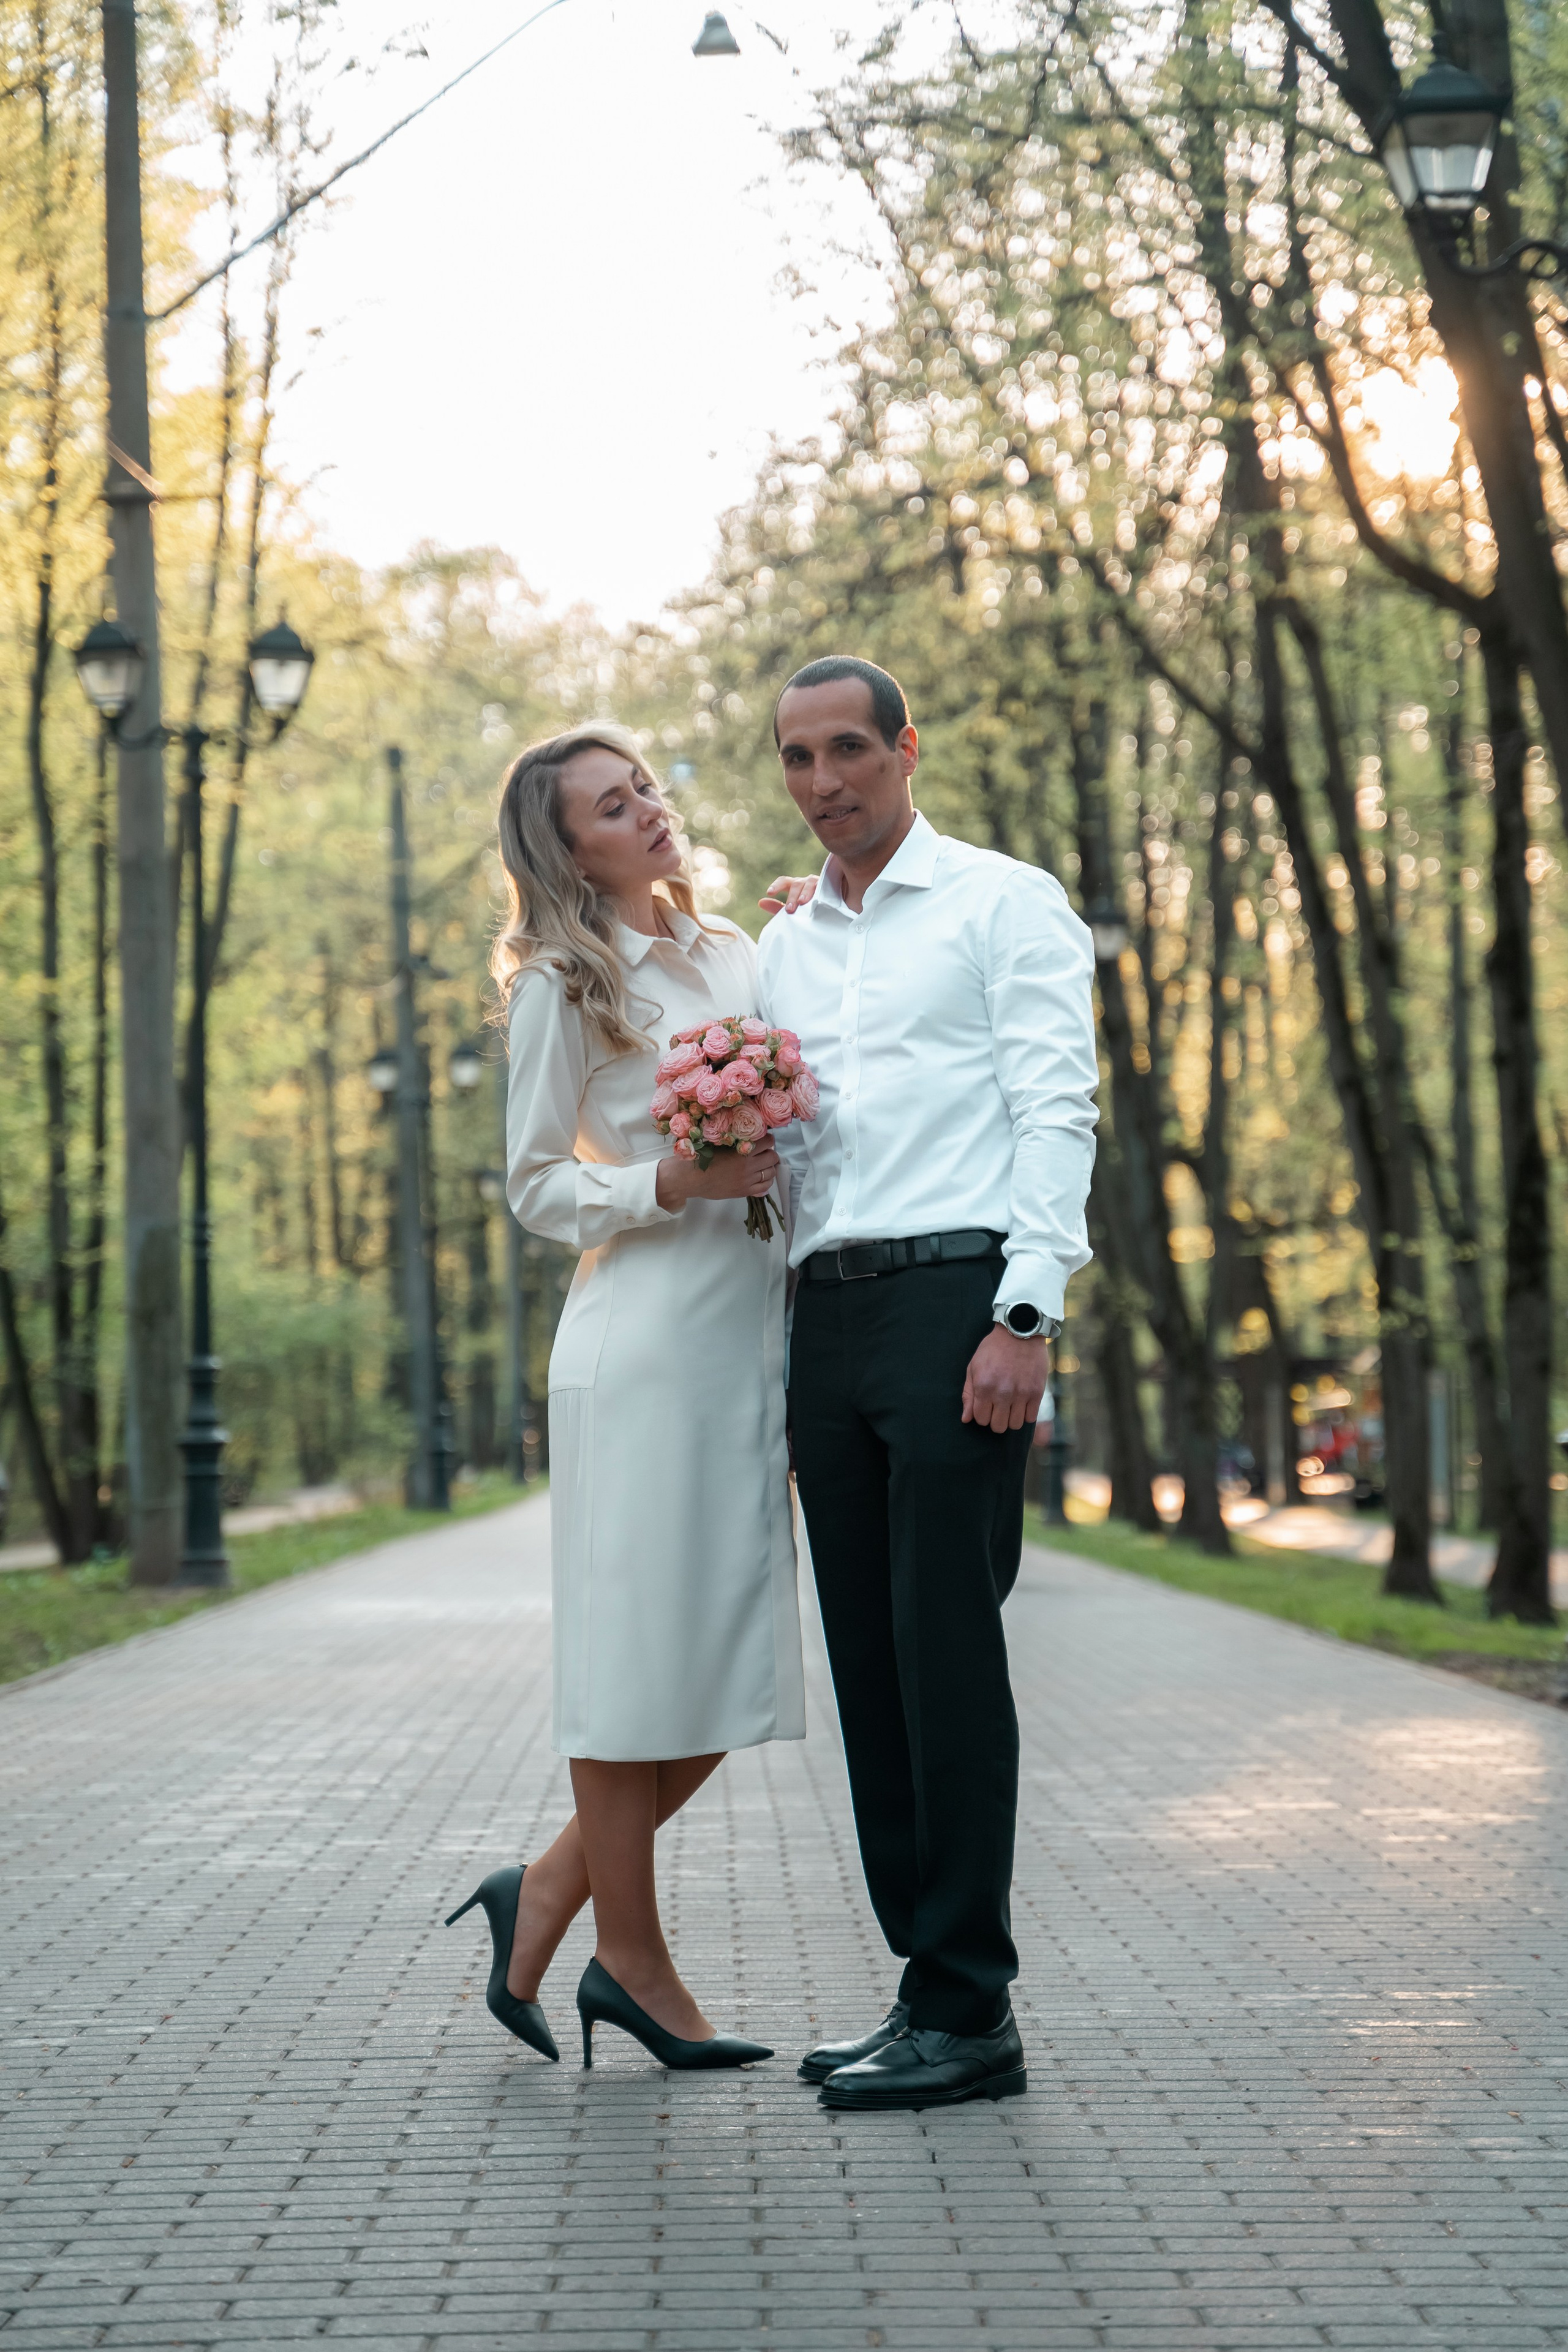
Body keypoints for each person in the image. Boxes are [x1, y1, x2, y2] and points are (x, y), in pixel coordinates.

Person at [757, 656, 1099, 2112]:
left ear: (907, 746)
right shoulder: (782, 943)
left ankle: (973, 2009)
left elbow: (1053, 1103)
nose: (823, 781)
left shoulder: (999, 901)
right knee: (869, 1667)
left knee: (946, 1655)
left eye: (847, 749)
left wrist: (1025, 1312)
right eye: (794, 758)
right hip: (820, 1320)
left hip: (957, 1304)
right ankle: (925, 1989)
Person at [445, 722, 810, 2075]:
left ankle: (544, 1891)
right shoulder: (561, 980)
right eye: (612, 804)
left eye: (644, 786)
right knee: (628, 1670)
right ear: (567, 847)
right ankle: (632, 1961)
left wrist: (810, 921)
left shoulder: (732, 953)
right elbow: (537, 1184)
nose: (646, 810)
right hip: (641, 1346)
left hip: (749, 1343)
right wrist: (663, 1183)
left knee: (722, 1662)